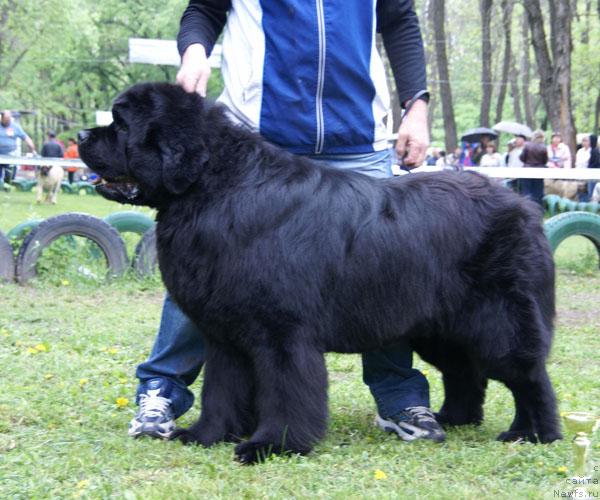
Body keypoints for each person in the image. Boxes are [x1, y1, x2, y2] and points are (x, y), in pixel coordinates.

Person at [130, 0, 445, 444]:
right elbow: (203, 9)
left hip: (358, 139)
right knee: (203, 268)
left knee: (385, 273)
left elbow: (400, 22)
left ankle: (399, 399)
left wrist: (417, 106)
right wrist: (196, 50)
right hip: (256, 135)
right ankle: (162, 389)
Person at [0, 110, 37, 183]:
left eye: (9, 119)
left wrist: (32, 148)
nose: (8, 121)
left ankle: (7, 187)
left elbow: (25, 137)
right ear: (2, 118)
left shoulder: (15, 127)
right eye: (6, 119)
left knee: (10, 175)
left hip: (11, 154)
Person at [519, 130, 547, 206]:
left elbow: (521, 158)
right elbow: (545, 161)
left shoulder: (527, 145)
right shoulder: (543, 147)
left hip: (527, 171)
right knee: (538, 192)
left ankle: (526, 208)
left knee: (526, 191)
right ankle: (538, 208)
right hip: (539, 172)